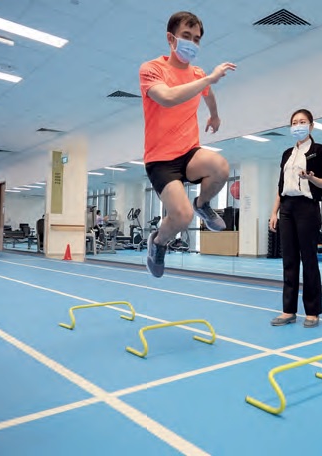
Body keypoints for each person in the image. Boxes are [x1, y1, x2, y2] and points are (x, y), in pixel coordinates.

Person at [139, 11, 236, 277]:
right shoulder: (151, 69)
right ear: (171, 39)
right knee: (181, 217)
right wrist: (207, 79)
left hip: (189, 152)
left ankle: (203, 204)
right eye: (186, 37)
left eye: (196, 39)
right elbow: (168, 98)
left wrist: (214, 115)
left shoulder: (197, 73)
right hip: (160, 160)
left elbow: (209, 94)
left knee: (220, 166)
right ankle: (158, 243)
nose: (192, 43)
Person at [269, 109, 322, 328]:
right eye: (294, 122)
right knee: (289, 261)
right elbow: (280, 186)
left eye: (302, 122)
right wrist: (273, 212)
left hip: (307, 207)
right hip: (286, 207)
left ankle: (312, 312)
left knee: (309, 261)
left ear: (311, 126)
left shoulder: (318, 150)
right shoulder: (287, 153)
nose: (298, 125)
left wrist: (312, 178)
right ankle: (288, 311)